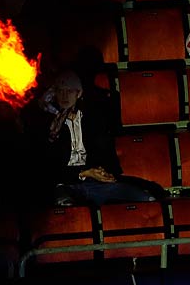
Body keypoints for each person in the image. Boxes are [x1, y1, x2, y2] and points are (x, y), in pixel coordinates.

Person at [33, 69, 156, 206]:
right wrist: (52, 135)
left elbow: (104, 151)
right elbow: (48, 167)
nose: (64, 96)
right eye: (61, 91)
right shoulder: (49, 124)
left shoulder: (92, 120)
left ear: (78, 93)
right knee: (65, 203)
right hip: (66, 184)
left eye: (69, 91)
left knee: (146, 198)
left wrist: (103, 172)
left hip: (95, 182)